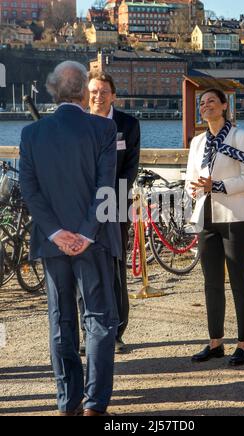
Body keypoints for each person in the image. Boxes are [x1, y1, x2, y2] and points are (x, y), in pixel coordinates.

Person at [19, 61, 121, 416]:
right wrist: (85, 233)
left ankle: (68, 402)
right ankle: (95, 405)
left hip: (52, 243)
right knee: (99, 319)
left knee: (61, 318)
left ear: (52, 91)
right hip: (94, 242)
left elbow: (29, 190)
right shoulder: (103, 130)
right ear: (83, 92)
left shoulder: (31, 134)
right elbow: (105, 188)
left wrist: (56, 232)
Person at [186, 88, 244, 366]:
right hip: (205, 216)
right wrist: (193, 190)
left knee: (239, 280)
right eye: (202, 104)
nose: (206, 107)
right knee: (211, 282)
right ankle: (215, 342)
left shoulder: (242, 137)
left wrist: (216, 186)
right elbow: (191, 176)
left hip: (235, 216)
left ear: (224, 105)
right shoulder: (197, 142)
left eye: (212, 102)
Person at [78, 71, 140, 355]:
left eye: (104, 91)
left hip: (114, 206)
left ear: (113, 95)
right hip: (81, 208)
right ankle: (86, 332)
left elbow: (130, 169)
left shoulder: (127, 125)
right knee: (81, 270)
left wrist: (111, 199)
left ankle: (117, 332)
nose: (98, 97)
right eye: (93, 91)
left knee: (115, 269)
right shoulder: (78, 123)